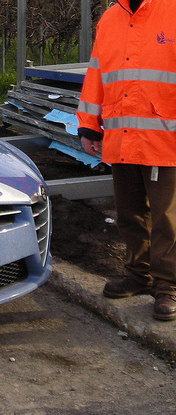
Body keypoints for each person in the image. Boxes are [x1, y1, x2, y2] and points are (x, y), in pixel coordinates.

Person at [77, 0, 176, 321]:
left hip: (166, 139)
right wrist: (88, 125)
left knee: (168, 220)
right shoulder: (110, 18)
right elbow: (97, 74)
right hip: (123, 138)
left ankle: (168, 287)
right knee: (129, 214)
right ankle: (138, 274)